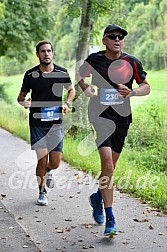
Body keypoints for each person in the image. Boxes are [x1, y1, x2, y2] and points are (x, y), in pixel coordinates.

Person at [77, 24, 150, 236]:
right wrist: (86, 88)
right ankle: (110, 218)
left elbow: (146, 86)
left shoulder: (131, 62)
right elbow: (81, 76)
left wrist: (133, 92)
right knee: (107, 164)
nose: (117, 39)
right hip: (99, 117)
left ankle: (97, 198)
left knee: (110, 168)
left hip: (122, 119)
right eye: (112, 36)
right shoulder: (94, 60)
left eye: (121, 37)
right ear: (104, 40)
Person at [17, 40, 75, 206]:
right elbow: (20, 97)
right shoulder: (31, 75)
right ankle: (42, 192)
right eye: (43, 51)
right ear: (38, 54)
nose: (46, 54)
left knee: (55, 162)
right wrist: (24, 102)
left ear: (53, 53)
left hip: (56, 123)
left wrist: (67, 103)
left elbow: (71, 90)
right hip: (37, 123)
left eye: (49, 51)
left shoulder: (61, 73)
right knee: (42, 159)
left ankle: (48, 171)